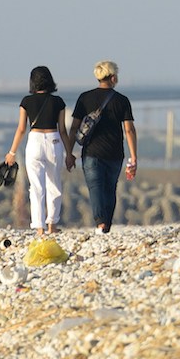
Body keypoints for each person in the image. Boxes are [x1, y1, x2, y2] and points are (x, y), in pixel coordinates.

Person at [70, 61, 138, 233]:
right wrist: (134, 156)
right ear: (113, 77)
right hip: (115, 153)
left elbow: (74, 128)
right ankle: (105, 224)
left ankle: (101, 223)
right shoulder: (122, 100)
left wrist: (68, 153)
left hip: (91, 153)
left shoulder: (84, 98)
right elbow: (129, 130)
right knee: (110, 188)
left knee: (95, 188)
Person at [9, 65, 68, 231]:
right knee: (54, 184)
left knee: (36, 186)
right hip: (54, 141)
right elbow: (63, 130)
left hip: (34, 141)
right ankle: (52, 224)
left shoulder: (26, 102)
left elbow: (21, 129)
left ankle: (39, 227)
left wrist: (12, 152)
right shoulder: (58, 102)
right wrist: (70, 153)